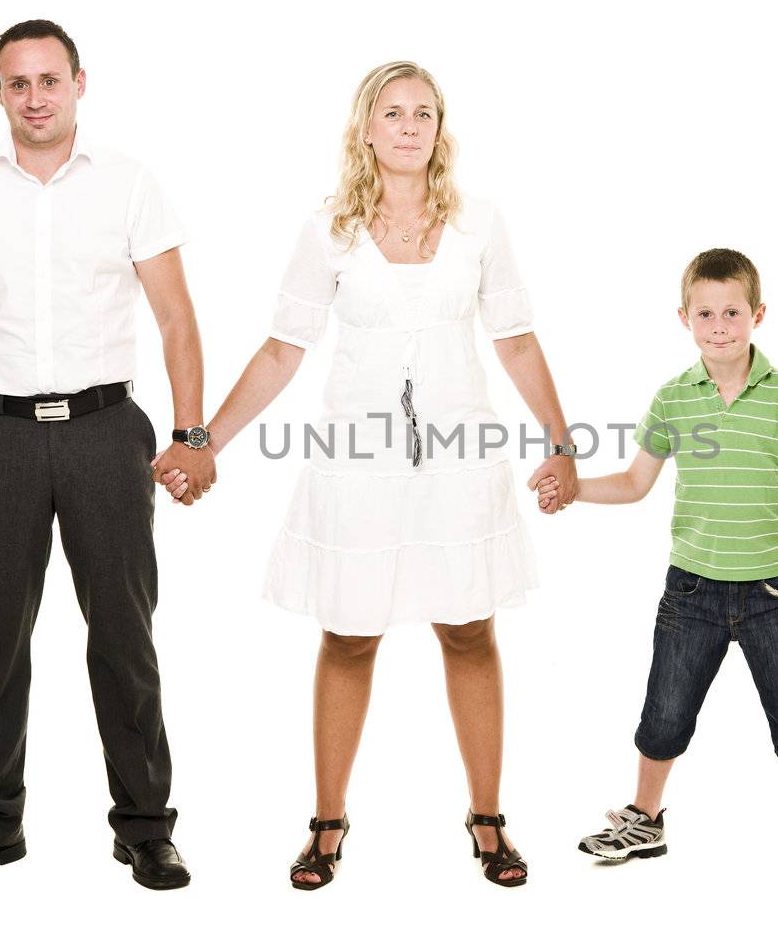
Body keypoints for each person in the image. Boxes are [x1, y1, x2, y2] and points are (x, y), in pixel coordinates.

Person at [155, 61, 576, 889]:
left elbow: (517, 338)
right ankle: (327, 824)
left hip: (459, 462)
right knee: (349, 634)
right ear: (367, 129)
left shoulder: (480, 224)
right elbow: (283, 350)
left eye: (424, 113)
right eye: (393, 113)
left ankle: (487, 817)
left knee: (469, 629)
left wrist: (559, 442)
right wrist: (206, 440)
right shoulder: (330, 230)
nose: (410, 126)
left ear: (439, 128)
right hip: (359, 463)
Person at [0, 19, 210, 891]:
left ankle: (145, 826)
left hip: (105, 430)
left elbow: (177, 316)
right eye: (18, 83)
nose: (35, 97)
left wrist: (191, 434)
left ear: (81, 82)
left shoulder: (129, 184)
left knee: (123, 631)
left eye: (50, 80)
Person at [531, 248, 778, 889]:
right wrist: (574, 488)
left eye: (732, 311)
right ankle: (645, 817)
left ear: (758, 314)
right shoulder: (674, 398)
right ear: (684, 318)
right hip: (692, 590)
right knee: (665, 710)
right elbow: (635, 482)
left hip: (772, 590)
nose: (720, 324)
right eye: (706, 313)